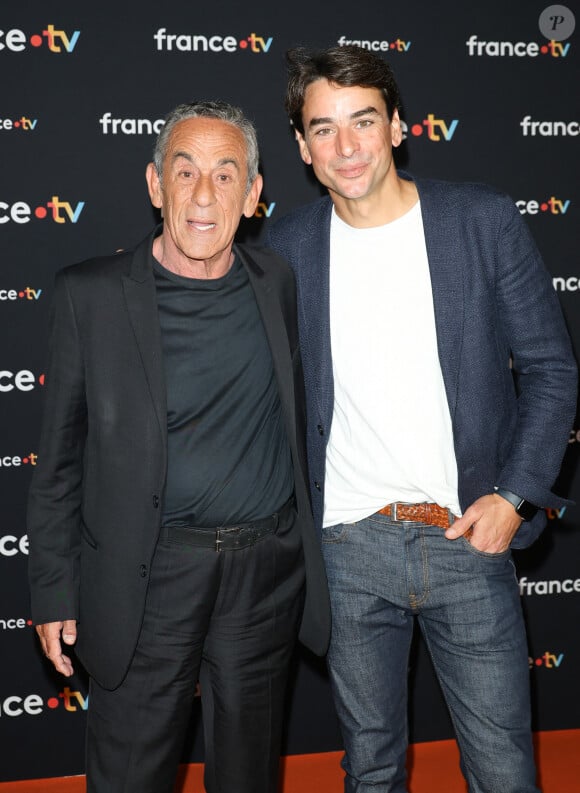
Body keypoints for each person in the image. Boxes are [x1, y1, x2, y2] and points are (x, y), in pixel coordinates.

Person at [267, 45, 577, 793]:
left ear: (399, 126)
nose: (346, 146)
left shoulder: (482, 221)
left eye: (363, 121)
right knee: (369, 768)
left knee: (504, 771)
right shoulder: (283, 249)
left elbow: (551, 367)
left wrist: (512, 497)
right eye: (323, 127)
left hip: (465, 534)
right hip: (347, 547)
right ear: (302, 147)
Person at [27, 99, 330, 793]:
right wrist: (51, 590)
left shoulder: (276, 282)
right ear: (154, 184)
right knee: (130, 773)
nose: (202, 194)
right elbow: (58, 464)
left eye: (226, 176)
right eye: (184, 171)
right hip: (148, 575)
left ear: (254, 196)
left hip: (263, 576)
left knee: (248, 774)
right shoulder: (91, 296)